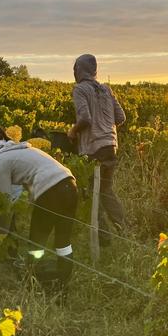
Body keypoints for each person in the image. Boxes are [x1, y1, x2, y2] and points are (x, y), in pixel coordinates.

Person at [0, 128, 79, 290]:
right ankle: (63, 286)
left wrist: (0, 234)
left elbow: (4, 203)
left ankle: (33, 282)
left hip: (50, 191)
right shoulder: (24, 149)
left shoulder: (0, 162)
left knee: (37, 242)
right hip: (70, 185)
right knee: (63, 241)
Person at [67, 54, 126, 242]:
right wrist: (106, 126)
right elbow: (121, 118)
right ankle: (123, 229)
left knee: (92, 193)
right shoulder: (106, 89)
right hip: (110, 145)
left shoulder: (80, 89)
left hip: (94, 148)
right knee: (106, 190)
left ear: (79, 70)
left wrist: (72, 131)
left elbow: (84, 118)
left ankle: (103, 239)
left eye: (75, 69)